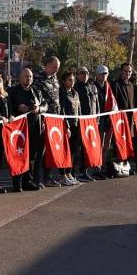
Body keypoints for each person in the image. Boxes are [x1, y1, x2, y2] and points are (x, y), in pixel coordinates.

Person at [32, 57, 61, 185]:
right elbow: (36, 99)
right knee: (40, 151)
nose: (56, 70)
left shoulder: (54, 78)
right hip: (43, 118)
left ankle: (48, 176)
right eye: (54, 67)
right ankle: (37, 178)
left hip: (55, 119)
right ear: (47, 65)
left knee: (51, 149)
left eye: (58, 68)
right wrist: (42, 118)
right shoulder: (37, 78)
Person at [56, 70, 82, 186]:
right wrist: (66, 125)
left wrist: (80, 122)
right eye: (69, 80)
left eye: (73, 80)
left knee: (73, 150)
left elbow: (79, 108)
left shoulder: (75, 92)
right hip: (66, 125)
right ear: (64, 81)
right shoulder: (61, 93)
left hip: (76, 124)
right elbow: (62, 110)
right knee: (64, 151)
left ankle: (69, 173)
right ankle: (63, 175)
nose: (72, 82)